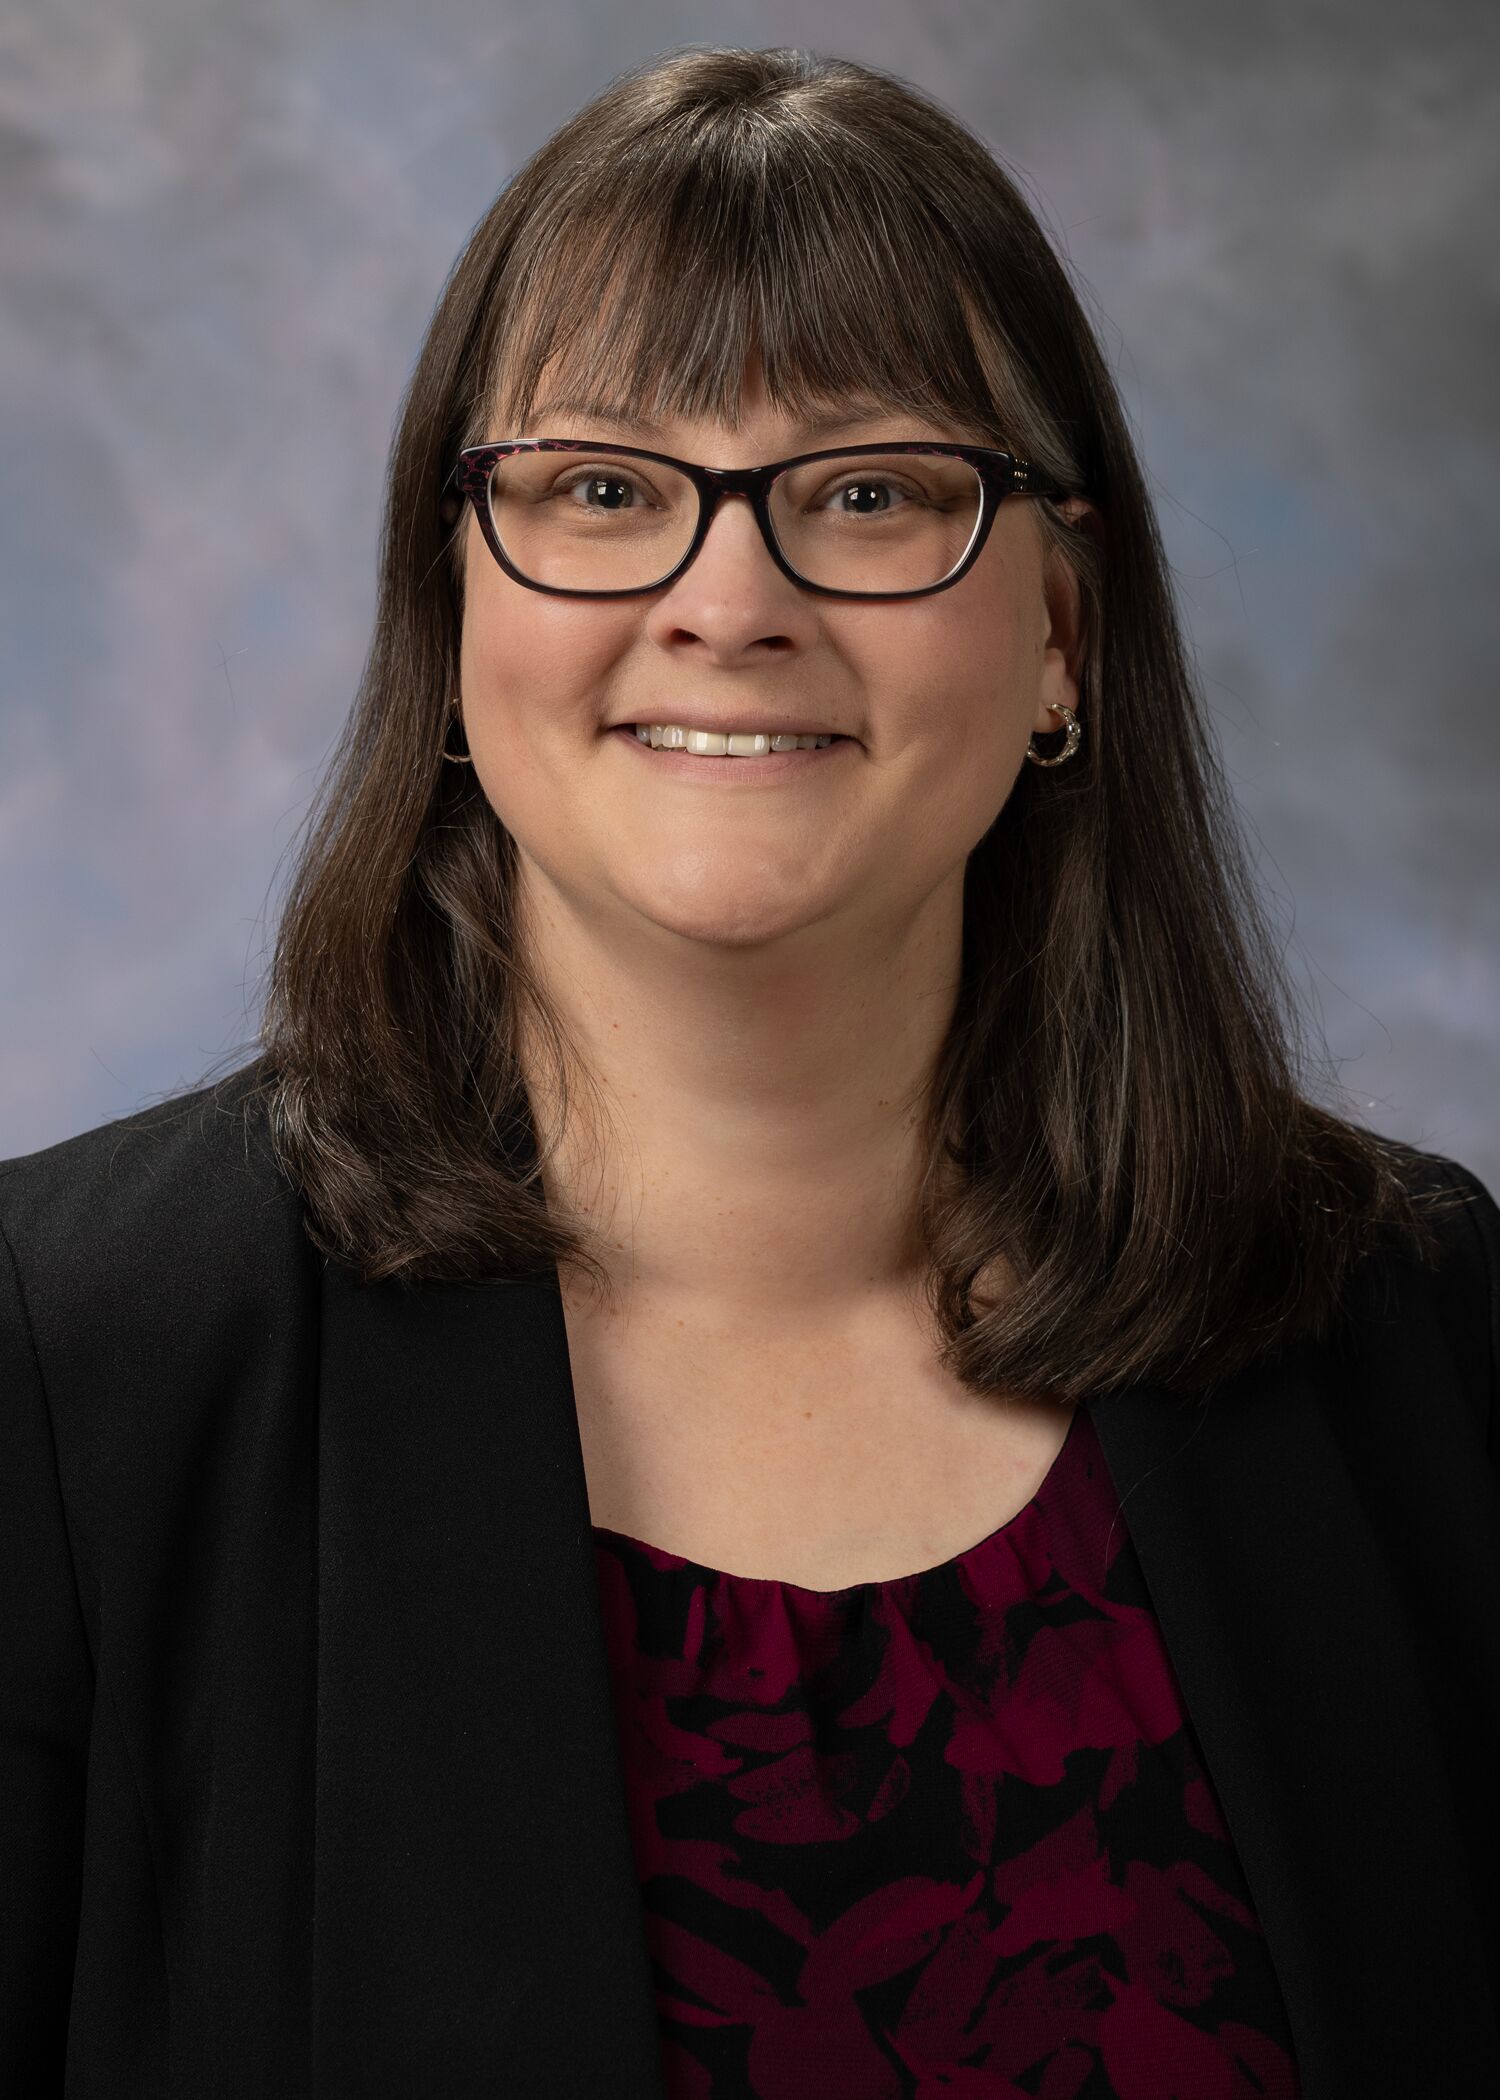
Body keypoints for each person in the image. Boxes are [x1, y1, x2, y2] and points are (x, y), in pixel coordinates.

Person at [2, 43, 1496, 2100]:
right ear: (455, 614)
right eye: (602, 489)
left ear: (1063, 627)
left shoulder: (1412, 1331)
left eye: (870, 491)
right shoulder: (70, 1372)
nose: (729, 601)